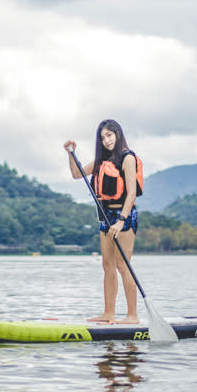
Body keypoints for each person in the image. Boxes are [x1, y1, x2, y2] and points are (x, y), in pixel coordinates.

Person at [64, 119, 142, 324]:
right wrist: (71, 154)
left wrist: (121, 220)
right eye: (102, 137)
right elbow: (76, 173)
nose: (106, 140)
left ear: (117, 134)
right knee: (107, 265)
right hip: (105, 217)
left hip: (123, 217)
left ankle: (132, 316)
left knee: (122, 265)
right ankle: (109, 313)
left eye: (109, 135)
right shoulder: (101, 161)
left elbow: (132, 193)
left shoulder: (127, 158)